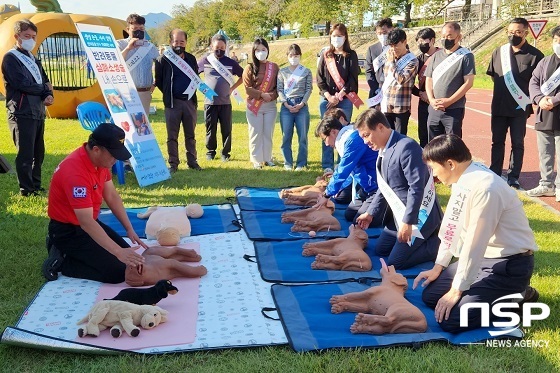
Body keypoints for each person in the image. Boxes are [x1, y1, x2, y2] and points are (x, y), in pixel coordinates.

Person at [414, 134, 538, 333]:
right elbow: (452, 227)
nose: (434, 175)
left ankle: (518, 295)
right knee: (430, 295)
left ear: (450, 164)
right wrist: (439, 266)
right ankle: (487, 292)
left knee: (451, 320)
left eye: (434, 168)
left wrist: (457, 290)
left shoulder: (486, 188)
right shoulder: (463, 179)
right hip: (483, 259)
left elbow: (474, 242)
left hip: (508, 265)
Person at [44, 123, 147, 283]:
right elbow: (85, 222)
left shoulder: (100, 162)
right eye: (113, 155)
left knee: (130, 260)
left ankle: (71, 253)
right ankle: (62, 259)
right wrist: (118, 252)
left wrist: (129, 229)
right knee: (118, 272)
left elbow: (111, 196)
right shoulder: (75, 174)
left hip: (88, 223)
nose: (115, 160)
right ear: (96, 149)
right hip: (67, 231)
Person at [355, 109, 442, 269]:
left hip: (420, 215)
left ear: (380, 127)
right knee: (381, 249)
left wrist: (408, 222)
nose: (365, 142)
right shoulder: (383, 149)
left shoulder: (407, 147)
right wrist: (370, 212)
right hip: (398, 213)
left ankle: (438, 244)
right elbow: (385, 187)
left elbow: (416, 188)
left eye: (366, 135)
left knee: (396, 262)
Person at [487, 18, 544, 190]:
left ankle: (513, 176)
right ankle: (495, 172)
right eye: (510, 32)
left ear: (526, 33)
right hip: (499, 106)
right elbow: (493, 75)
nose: (514, 35)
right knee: (497, 141)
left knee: (517, 143)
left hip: (520, 108)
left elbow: (538, 83)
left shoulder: (536, 55)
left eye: (518, 32)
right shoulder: (499, 52)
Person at [2, 19, 53, 196]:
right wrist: (44, 90)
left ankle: (36, 185)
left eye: (33, 36)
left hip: (38, 111)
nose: (31, 40)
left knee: (38, 153)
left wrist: (49, 95)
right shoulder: (11, 58)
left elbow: (45, 81)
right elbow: (22, 84)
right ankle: (26, 189)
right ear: (17, 36)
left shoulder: (33, 58)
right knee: (25, 153)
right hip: (21, 111)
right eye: (26, 36)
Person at [313, 115, 381, 225]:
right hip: (365, 185)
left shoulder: (352, 140)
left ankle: (389, 212)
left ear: (334, 132)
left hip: (377, 186)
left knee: (359, 221)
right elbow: (348, 169)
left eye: (325, 139)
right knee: (349, 214)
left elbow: (343, 170)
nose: (326, 144)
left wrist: (327, 195)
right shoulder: (348, 135)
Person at [154, 29, 202, 172]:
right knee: (172, 135)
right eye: (176, 41)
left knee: (190, 134)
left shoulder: (191, 58)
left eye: (182, 42)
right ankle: (173, 164)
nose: (179, 44)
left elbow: (196, 77)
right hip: (172, 103)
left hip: (189, 102)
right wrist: (170, 93)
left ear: (186, 42)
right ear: (170, 42)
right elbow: (160, 81)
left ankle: (192, 161)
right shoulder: (163, 59)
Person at [316, 23, 361, 172]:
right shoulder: (326, 55)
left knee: (344, 131)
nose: (336, 39)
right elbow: (320, 78)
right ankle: (327, 165)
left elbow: (353, 79)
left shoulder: (351, 55)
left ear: (345, 37)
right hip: (327, 100)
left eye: (339, 36)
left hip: (345, 99)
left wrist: (341, 94)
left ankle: (342, 163)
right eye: (334, 35)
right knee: (327, 131)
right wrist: (328, 96)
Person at [425, 22, 475, 141]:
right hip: (434, 109)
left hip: (453, 110)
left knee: (452, 145)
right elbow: (428, 80)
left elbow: (468, 83)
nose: (445, 39)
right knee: (434, 145)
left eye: (449, 36)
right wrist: (431, 100)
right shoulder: (436, 56)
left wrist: (449, 101)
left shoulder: (466, 56)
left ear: (458, 37)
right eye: (443, 36)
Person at [198, 33, 244, 162]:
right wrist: (203, 89)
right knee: (210, 128)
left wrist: (232, 88)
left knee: (226, 129)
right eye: (217, 47)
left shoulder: (230, 62)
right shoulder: (205, 60)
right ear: (211, 46)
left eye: (223, 47)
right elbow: (193, 75)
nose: (220, 49)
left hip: (225, 102)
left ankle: (225, 153)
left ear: (226, 47)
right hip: (209, 102)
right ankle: (210, 152)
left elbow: (243, 76)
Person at [527, 26, 560, 201]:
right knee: (545, 152)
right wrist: (539, 99)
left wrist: (553, 100)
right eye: (556, 41)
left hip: (556, 111)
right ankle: (546, 184)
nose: (558, 44)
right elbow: (533, 82)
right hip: (544, 114)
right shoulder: (545, 62)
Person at [242, 37, 279, 169]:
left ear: (268, 50)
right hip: (254, 106)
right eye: (258, 50)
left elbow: (278, 86)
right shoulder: (249, 67)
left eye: (263, 49)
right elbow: (247, 88)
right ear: (253, 51)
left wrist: (272, 95)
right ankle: (256, 159)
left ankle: (267, 158)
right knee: (255, 132)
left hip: (270, 106)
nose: (261, 52)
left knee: (268, 132)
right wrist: (261, 94)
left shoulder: (274, 67)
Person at [277, 44, 313, 170]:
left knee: (302, 136)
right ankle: (287, 162)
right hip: (286, 106)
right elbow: (279, 90)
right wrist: (285, 103)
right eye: (291, 55)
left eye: (296, 55)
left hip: (301, 106)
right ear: (287, 56)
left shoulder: (306, 71)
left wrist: (302, 103)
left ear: (300, 56)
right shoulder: (282, 72)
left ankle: (301, 163)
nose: (294, 57)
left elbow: (309, 89)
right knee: (286, 136)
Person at [117, 14, 159, 115]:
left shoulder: (150, 47)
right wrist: (128, 48)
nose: (138, 31)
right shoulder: (120, 44)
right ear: (128, 29)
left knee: (142, 126)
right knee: (125, 126)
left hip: (144, 92)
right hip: (125, 93)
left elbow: (160, 66)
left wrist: (155, 83)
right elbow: (115, 63)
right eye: (135, 28)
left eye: (141, 28)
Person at [379, 29, 418, 136]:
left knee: (399, 139)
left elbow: (402, 80)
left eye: (396, 45)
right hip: (386, 105)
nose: (393, 49)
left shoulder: (412, 60)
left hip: (401, 107)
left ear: (405, 42)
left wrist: (392, 62)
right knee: (386, 138)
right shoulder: (388, 57)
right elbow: (383, 79)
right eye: (391, 46)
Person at [412, 28, 440, 147]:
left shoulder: (442, 56)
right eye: (418, 41)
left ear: (432, 40)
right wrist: (420, 94)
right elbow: (409, 82)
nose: (420, 44)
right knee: (423, 132)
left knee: (437, 134)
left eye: (423, 41)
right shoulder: (418, 60)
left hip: (438, 100)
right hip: (423, 101)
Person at [365, 18, 393, 100]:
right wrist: (376, 89)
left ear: (391, 30)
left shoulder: (399, 47)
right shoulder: (372, 49)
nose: (382, 36)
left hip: (393, 93)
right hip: (376, 92)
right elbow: (369, 71)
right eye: (379, 33)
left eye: (385, 33)